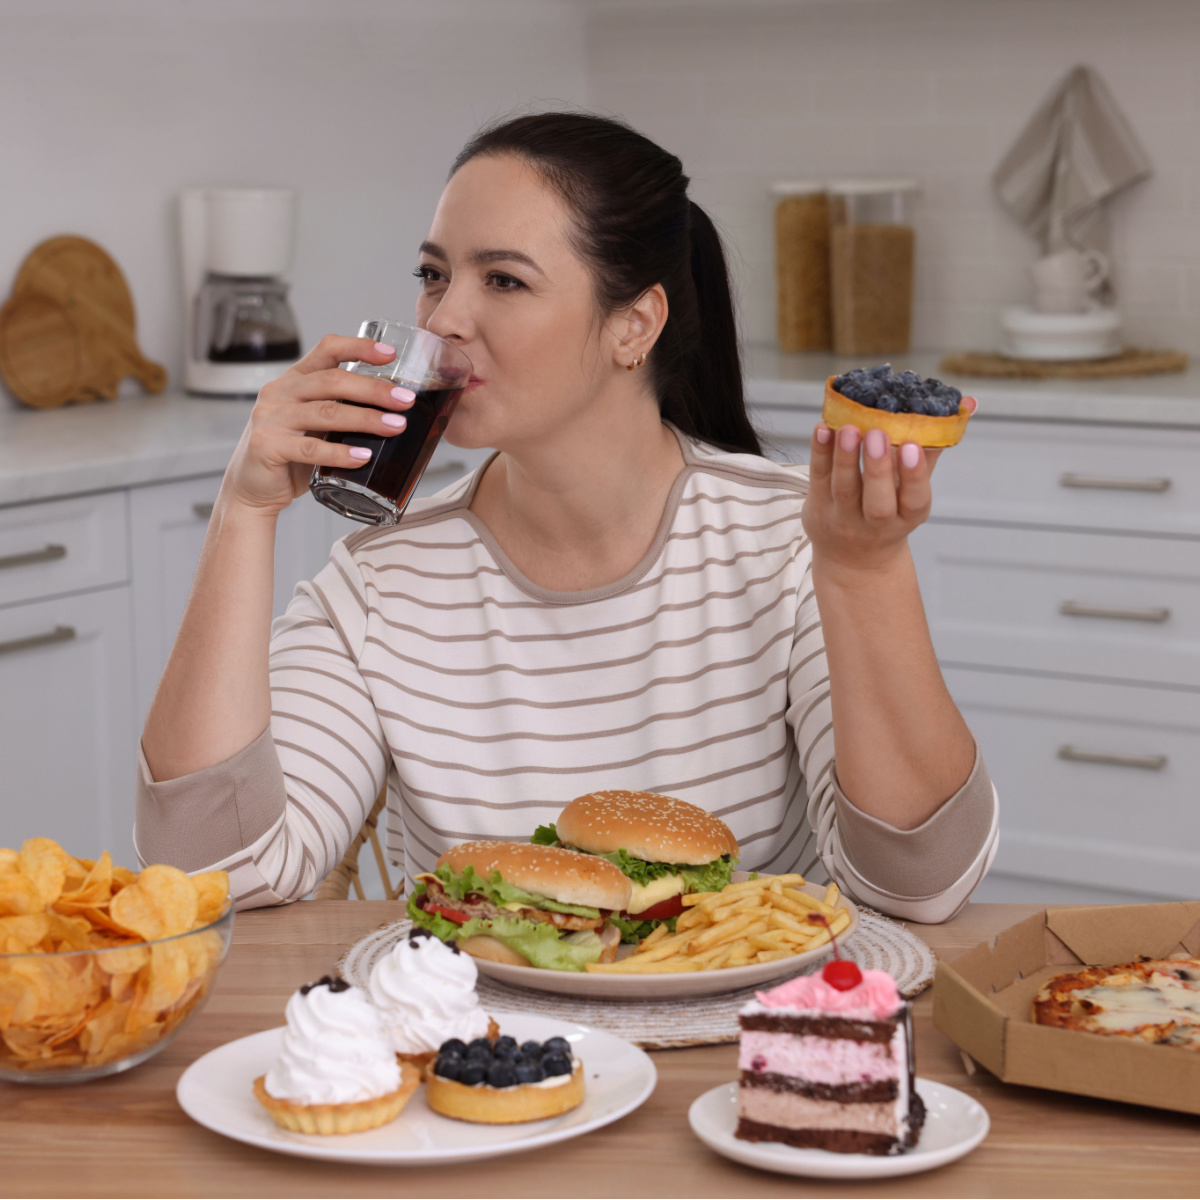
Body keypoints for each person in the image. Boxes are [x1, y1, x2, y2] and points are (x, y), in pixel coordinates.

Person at [138, 113, 996, 922]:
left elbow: (919, 886)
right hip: (479, 1053)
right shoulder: (382, 578)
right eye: (435, 275)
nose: (444, 319)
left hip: (746, 1054)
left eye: (503, 280)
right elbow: (216, 875)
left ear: (634, 325)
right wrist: (243, 511)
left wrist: (863, 571)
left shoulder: (791, 544)